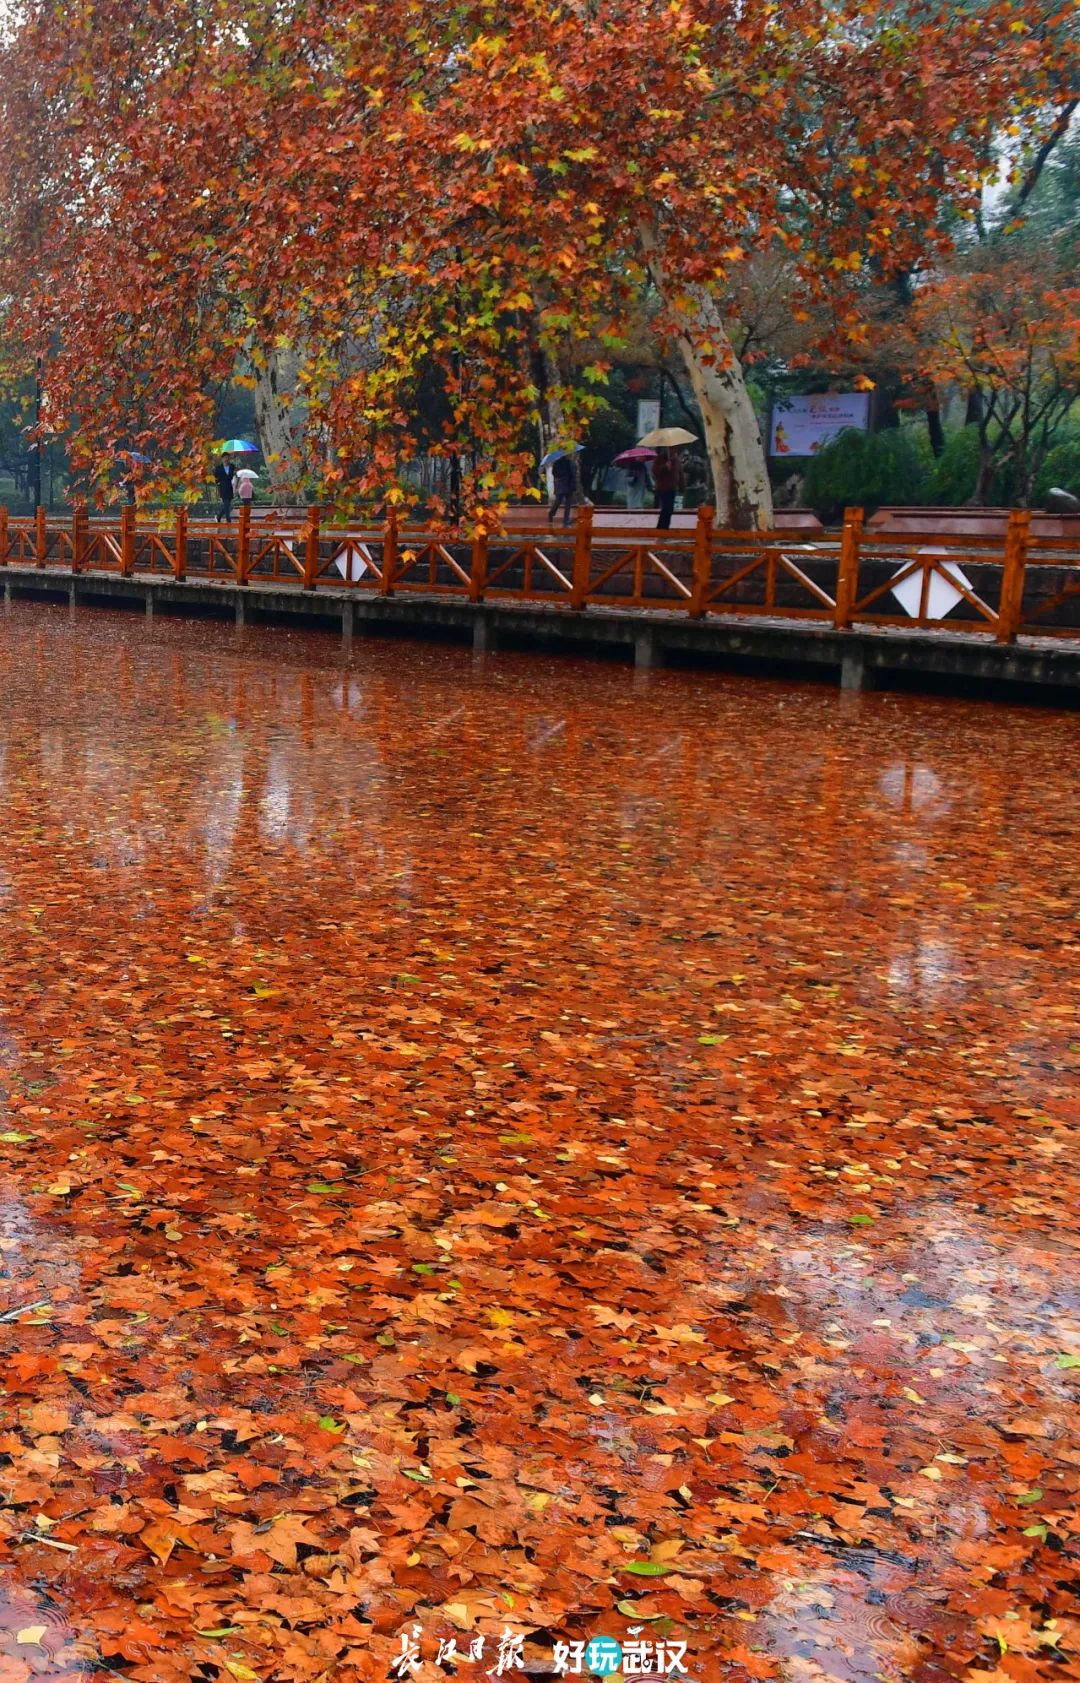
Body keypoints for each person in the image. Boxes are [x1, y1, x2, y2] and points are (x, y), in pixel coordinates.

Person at [652, 447, 683, 530]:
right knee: (666, 508)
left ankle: (665, 527)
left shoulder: (677, 460)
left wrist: (682, 486)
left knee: (670, 509)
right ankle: (661, 528)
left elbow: (680, 473)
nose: (673, 450)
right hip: (663, 488)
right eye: (671, 448)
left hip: (672, 488)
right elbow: (655, 471)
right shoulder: (660, 458)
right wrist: (665, 467)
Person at [548, 453, 575, 528]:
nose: (569, 455)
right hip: (561, 485)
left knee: (568, 503)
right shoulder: (557, 463)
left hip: (569, 485)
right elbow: (554, 473)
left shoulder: (571, 463)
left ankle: (566, 520)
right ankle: (551, 513)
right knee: (558, 501)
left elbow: (573, 474)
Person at [214, 458, 235, 523]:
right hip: (223, 488)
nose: (226, 459)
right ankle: (228, 519)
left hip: (229, 488)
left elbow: (231, 476)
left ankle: (218, 516)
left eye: (227, 458)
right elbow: (215, 477)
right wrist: (218, 482)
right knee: (226, 504)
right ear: (222, 459)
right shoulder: (219, 468)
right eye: (225, 458)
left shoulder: (232, 466)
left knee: (227, 505)